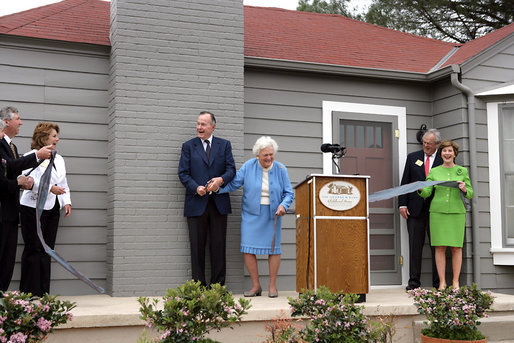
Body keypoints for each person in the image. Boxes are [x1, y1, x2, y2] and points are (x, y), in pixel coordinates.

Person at [212, 136, 294, 298]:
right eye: (265, 155)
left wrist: (283, 205)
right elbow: (234, 183)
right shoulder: (249, 166)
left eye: (271, 154)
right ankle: (256, 286)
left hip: (273, 215)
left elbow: (288, 193)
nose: (269, 158)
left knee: (274, 249)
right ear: (258, 155)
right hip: (251, 214)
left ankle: (272, 286)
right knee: (248, 249)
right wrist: (216, 189)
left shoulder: (280, 169)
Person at [178, 111, 236, 287]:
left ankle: (218, 288)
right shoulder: (188, 146)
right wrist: (196, 187)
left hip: (219, 204)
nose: (199, 127)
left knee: (218, 247)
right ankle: (199, 288)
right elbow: (183, 173)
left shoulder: (224, 145)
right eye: (198, 124)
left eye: (203, 124)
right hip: (196, 203)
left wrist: (221, 180)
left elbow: (231, 170)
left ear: (213, 126)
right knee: (197, 248)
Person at [0, 106, 52, 292]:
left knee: (7, 259)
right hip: (3, 213)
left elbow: (12, 170)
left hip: (12, 213)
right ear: (6, 122)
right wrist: (36, 156)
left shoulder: (12, 146)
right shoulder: (1, 145)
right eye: (18, 119)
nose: (21, 122)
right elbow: (8, 171)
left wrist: (25, 180)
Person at [19, 122, 72, 296]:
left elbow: (62, 183)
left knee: (47, 250)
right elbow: (27, 182)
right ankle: (29, 293)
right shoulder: (31, 156)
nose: (58, 139)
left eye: (57, 135)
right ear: (44, 137)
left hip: (52, 208)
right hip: (32, 208)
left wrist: (66, 201)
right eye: (54, 135)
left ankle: (43, 294)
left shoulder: (59, 158)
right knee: (33, 248)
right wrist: (50, 188)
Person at [419, 140, 473, 290]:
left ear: (455, 153)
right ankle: (442, 282)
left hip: (457, 212)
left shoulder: (462, 171)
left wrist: (464, 188)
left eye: (450, 151)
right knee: (440, 247)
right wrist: (420, 189)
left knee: (456, 247)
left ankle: (455, 281)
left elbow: (471, 193)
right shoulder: (434, 171)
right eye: (444, 151)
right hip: (438, 212)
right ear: (440, 154)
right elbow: (427, 191)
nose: (447, 153)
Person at [399, 128, 442, 290]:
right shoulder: (413, 158)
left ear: (437, 144)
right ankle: (414, 283)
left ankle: (438, 283)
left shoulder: (443, 158)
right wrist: (402, 204)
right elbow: (405, 182)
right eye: (424, 143)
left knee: (437, 247)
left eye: (429, 144)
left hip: (436, 209)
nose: (425, 146)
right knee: (414, 246)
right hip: (414, 209)